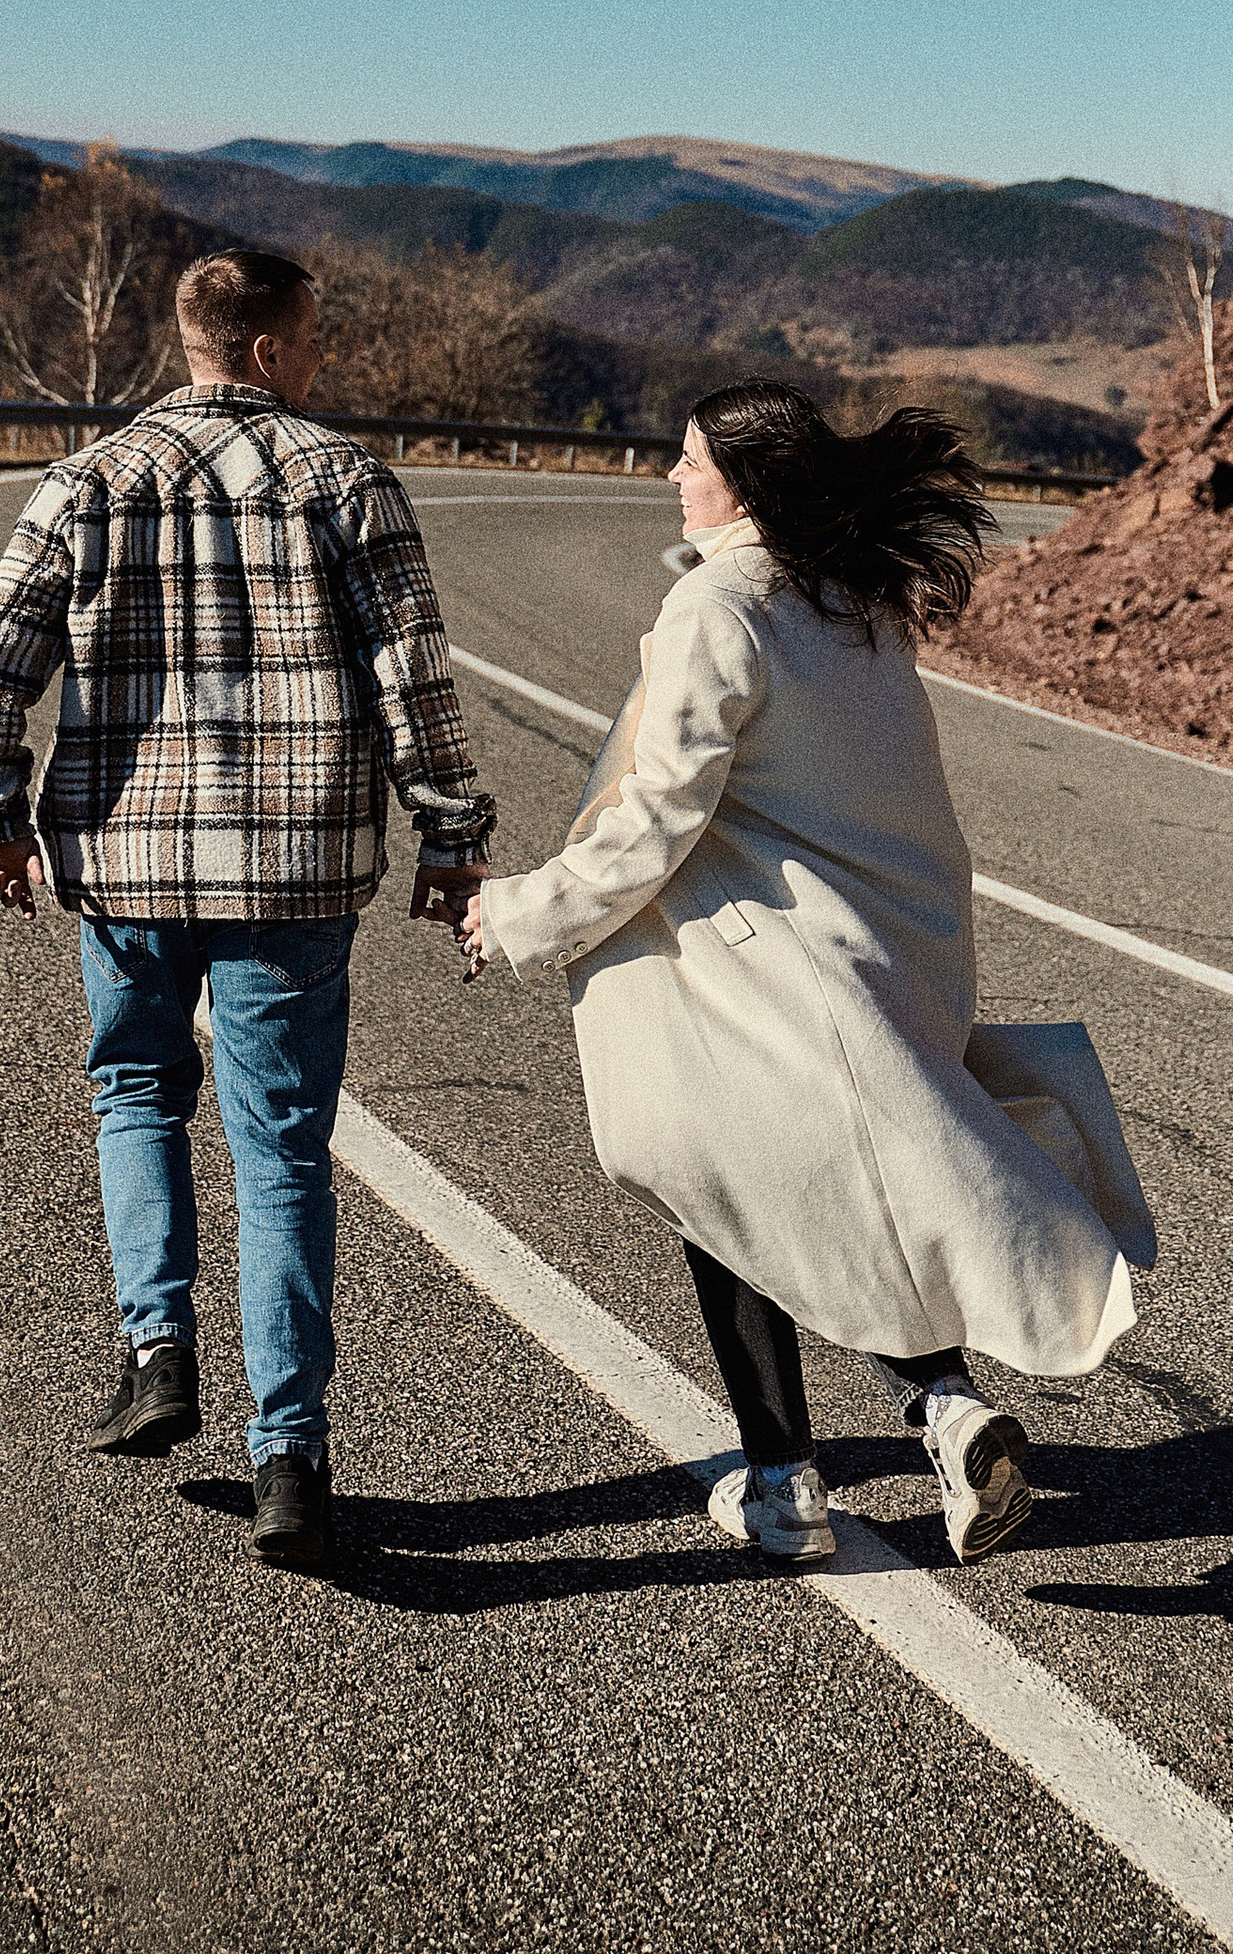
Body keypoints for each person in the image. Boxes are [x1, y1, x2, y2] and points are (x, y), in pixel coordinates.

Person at [465, 381, 1143, 1567]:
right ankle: (946, 1408)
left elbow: (652, 819)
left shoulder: (721, 605)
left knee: (723, 1187)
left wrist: (519, 914)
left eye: (688, 461)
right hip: (878, 948)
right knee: (808, 1192)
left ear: (747, 480)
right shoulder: (853, 602)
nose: (670, 477)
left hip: (762, 964)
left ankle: (787, 1485)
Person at [0, 246, 494, 1574]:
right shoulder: (343, 480)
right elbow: (411, 676)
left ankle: (155, 1353)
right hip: (294, 869)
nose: (321, 360)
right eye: (311, 340)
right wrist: (451, 835)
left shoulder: (85, 482)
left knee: (136, 1091)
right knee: (284, 1155)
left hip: (123, 863)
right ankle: (290, 1458)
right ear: (259, 349)